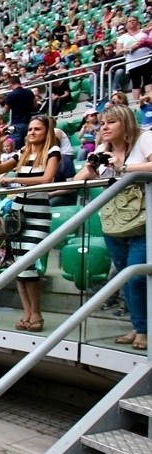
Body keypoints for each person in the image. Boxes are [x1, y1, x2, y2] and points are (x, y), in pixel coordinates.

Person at [74, 103, 152, 350]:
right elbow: (77, 181)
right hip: (115, 220)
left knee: (137, 275)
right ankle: (139, 327)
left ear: (125, 123)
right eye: (103, 123)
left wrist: (124, 168)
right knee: (124, 277)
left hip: (144, 218)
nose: (104, 127)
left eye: (111, 122)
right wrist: (89, 168)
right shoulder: (102, 149)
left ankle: (143, 330)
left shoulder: (144, 139)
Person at [0, 115, 61, 332]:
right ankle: (28, 313)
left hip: (38, 212)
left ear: (46, 131)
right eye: (30, 129)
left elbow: (46, 180)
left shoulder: (52, 152)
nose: (32, 132)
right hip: (17, 213)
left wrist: (14, 179)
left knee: (29, 263)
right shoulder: (23, 152)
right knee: (19, 266)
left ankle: (36, 313)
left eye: (37, 129)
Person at [115, 15, 152, 104]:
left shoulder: (144, 32)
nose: (132, 22)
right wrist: (128, 49)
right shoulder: (122, 37)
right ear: (126, 24)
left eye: (134, 20)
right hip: (133, 63)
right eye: (130, 21)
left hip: (146, 59)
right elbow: (118, 52)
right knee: (136, 83)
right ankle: (137, 103)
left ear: (137, 22)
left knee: (148, 80)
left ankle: (150, 100)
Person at [3, 75, 35, 148]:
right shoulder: (29, 92)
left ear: (11, 84)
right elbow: (35, 105)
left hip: (16, 124)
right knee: (29, 146)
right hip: (29, 123)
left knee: (15, 147)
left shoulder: (11, 95)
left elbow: (5, 110)